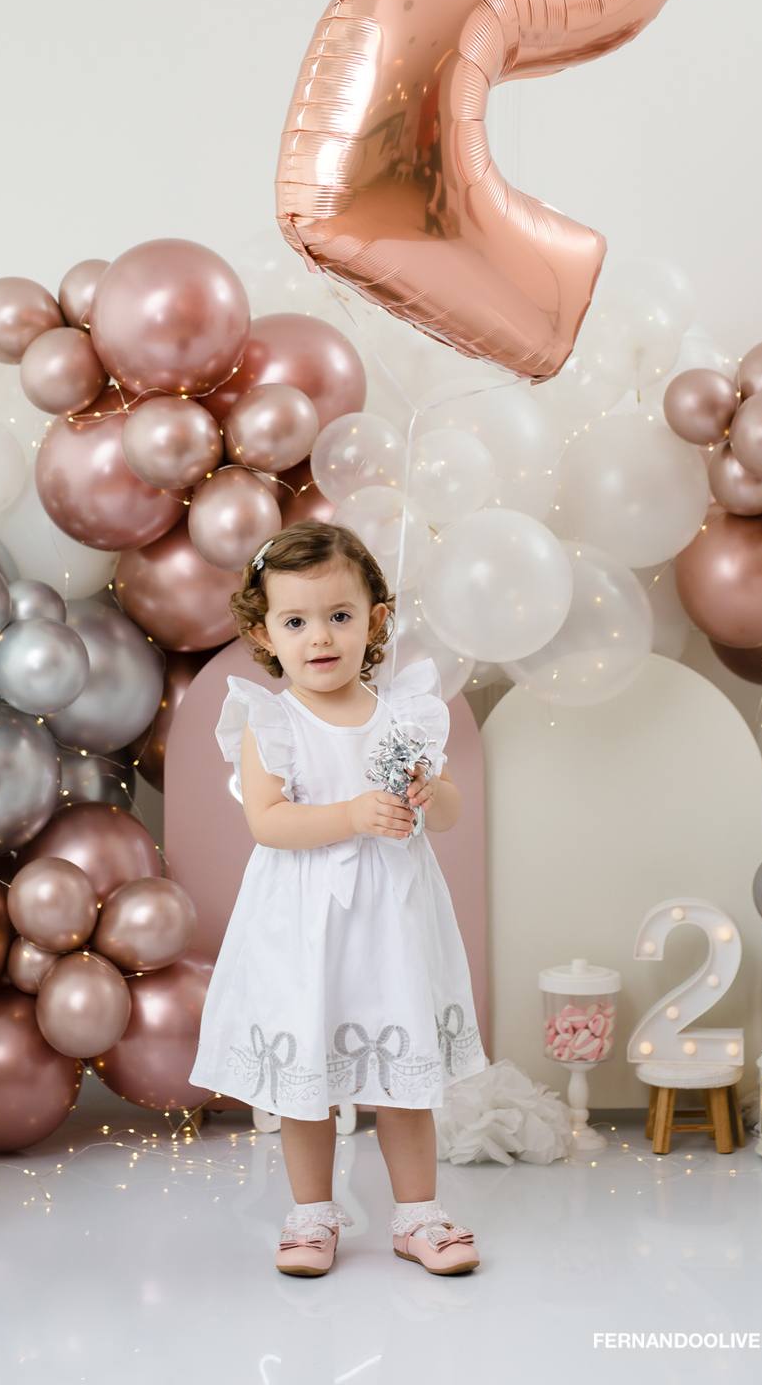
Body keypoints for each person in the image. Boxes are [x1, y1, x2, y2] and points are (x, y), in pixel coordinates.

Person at [190, 519, 486, 1277]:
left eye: (339, 617)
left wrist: (427, 795)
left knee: (403, 1079)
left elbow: (450, 810)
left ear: (375, 622)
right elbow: (269, 821)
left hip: (391, 917)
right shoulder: (273, 721)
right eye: (296, 621)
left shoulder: (404, 716)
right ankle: (312, 1214)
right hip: (305, 922)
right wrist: (354, 815)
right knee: (307, 1082)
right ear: (265, 632)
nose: (319, 637)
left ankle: (417, 1216)